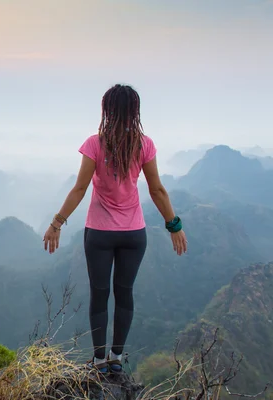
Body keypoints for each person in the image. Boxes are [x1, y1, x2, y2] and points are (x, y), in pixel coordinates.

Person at [43, 84, 188, 374]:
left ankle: (98, 361)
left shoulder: (94, 144)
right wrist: (174, 225)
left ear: (106, 110)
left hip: (99, 233)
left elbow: (80, 189)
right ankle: (116, 359)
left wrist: (56, 223)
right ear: (135, 112)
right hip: (134, 234)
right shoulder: (144, 144)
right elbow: (157, 190)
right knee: (125, 293)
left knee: (100, 295)